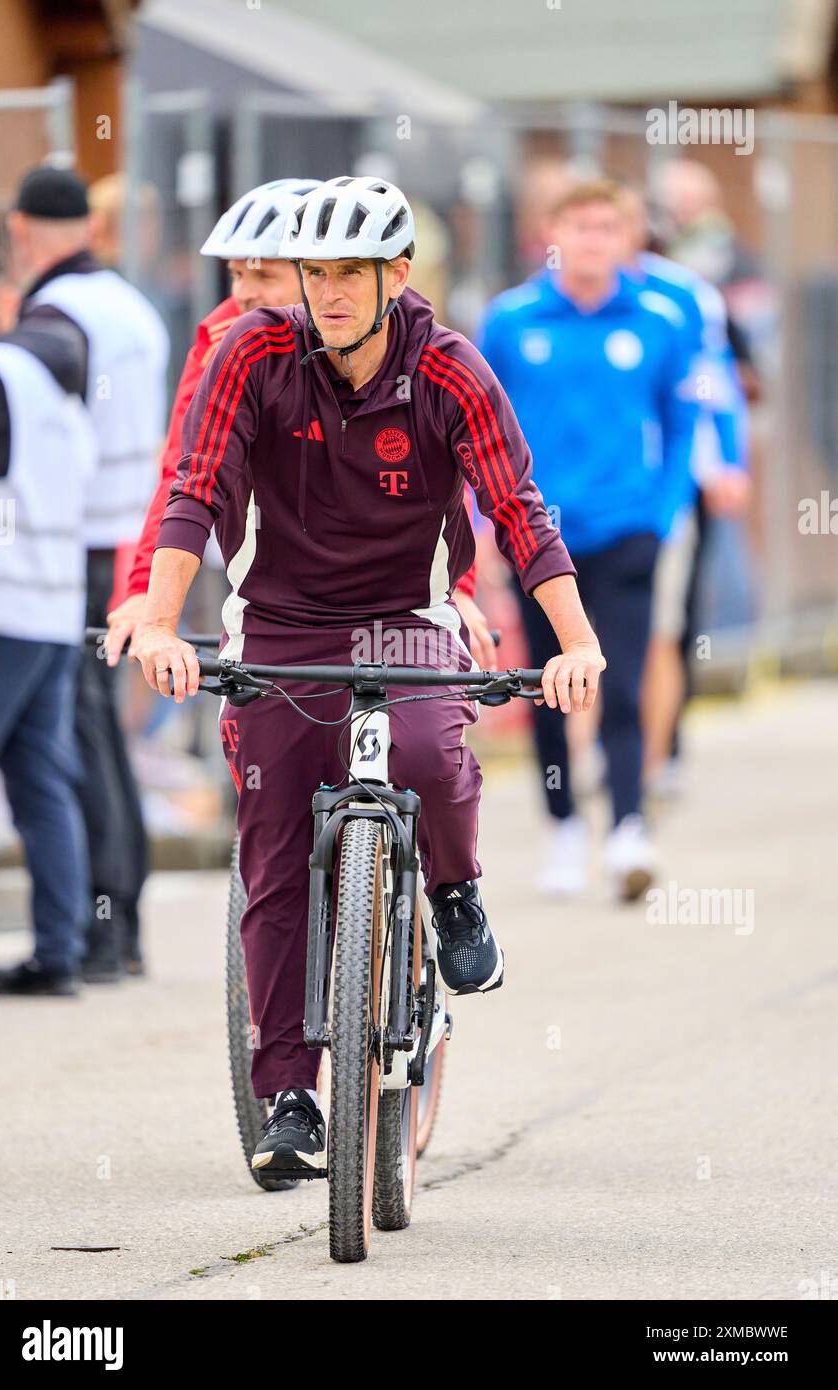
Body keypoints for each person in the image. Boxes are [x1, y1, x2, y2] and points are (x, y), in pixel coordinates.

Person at [128, 175, 605, 1175]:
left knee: (432, 750)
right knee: (270, 843)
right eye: (313, 271)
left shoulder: (451, 369)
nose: (327, 289)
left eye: (350, 270)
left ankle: (457, 891)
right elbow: (191, 487)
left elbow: (519, 507)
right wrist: (162, 620)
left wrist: (574, 642)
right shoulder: (249, 353)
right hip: (279, 624)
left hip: (407, 618)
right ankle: (290, 1095)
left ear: (396, 273)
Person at [105, 176, 494, 668]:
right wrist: (145, 592)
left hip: (391, 600)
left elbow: (437, 482)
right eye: (235, 275)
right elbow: (181, 476)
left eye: (264, 277)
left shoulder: (398, 345)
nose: (244, 295)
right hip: (274, 588)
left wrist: (459, 591)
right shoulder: (224, 342)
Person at [478, 179, 697, 901]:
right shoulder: (511, 320)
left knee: (625, 679)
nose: (593, 240)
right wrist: (485, 523)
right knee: (548, 681)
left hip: (628, 527)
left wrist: (664, 508)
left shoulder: (660, 319)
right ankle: (564, 824)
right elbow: (480, 424)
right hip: (538, 535)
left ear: (628, 236)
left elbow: (680, 420)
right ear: (554, 232)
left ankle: (630, 826)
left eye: (608, 226)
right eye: (580, 225)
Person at [8, 165, 170, 981]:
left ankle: (106, 919)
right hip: (128, 533)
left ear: (20, 229)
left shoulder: (56, 313)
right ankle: (118, 916)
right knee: (95, 724)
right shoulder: (128, 305)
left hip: (75, 542)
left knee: (79, 728)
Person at [0, 252, 95, 996]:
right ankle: (60, 949)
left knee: (37, 777)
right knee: (42, 779)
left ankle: (61, 947)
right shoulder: (53, 380)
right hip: (52, 606)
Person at [619, 190, 750, 791]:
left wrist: (729, 460)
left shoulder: (685, 296)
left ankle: (664, 747)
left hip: (680, 474)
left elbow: (715, 380)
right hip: (599, 485)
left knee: (673, 616)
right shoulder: (558, 295)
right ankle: (605, 748)